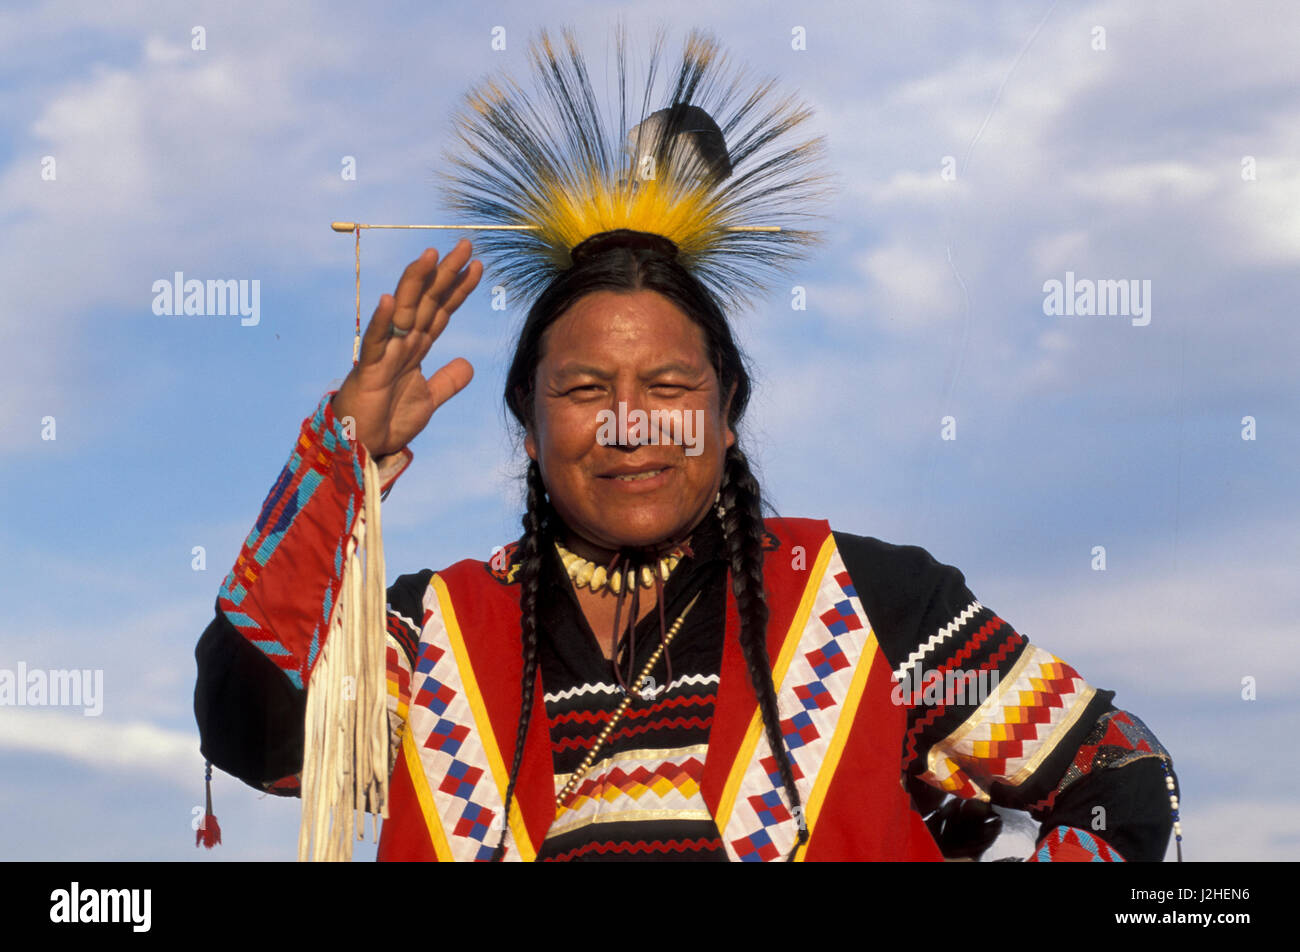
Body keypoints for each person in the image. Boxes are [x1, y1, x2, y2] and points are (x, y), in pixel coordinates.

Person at [194, 29, 1180, 862]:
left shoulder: (873, 607)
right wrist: (338, 469)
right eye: (583, 390)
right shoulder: (435, 632)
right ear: (531, 433)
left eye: (668, 385)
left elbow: (1121, 777)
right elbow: (257, 731)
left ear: (725, 414)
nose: (630, 420)